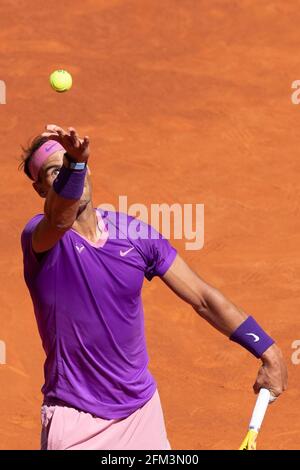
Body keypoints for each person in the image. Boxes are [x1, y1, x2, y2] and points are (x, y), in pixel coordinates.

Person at [20, 124, 287, 450]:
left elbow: (202, 297)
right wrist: (74, 163)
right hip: (77, 422)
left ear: (89, 169)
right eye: (53, 171)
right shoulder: (40, 240)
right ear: (40, 189)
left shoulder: (134, 233)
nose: (65, 174)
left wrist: (268, 351)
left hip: (141, 413)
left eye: (71, 164)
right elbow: (60, 217)